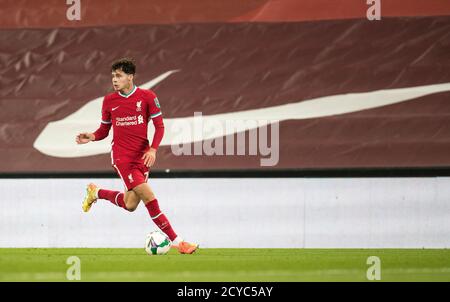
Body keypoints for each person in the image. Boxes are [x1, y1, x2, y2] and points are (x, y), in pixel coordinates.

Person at [75, 58, 198, 254]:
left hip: (142, 157)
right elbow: (104, 130)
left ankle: (96, 192)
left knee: (130, 204)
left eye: (119, 76)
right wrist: (91, 136)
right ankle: (178, 242)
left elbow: (159, 126)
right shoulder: (109, 100)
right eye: (113, 76)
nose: (114, 80)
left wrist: (153, 149)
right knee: (148, 196)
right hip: (122, 158)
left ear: (130, 77)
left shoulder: (147, 97)